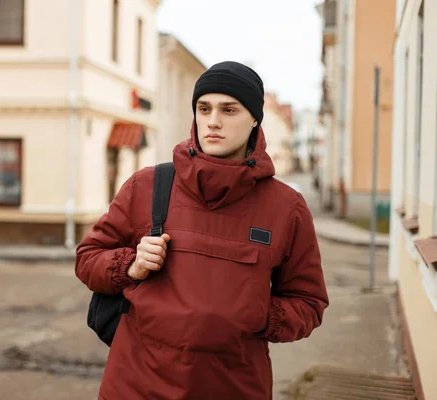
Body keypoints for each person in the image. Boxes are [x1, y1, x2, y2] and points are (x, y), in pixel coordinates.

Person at [75, 61, 329, 400]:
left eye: (229, 109)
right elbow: (87, 258)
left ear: (255, 118)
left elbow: (309, 303)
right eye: (203, 108)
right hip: (136, 386)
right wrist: (131, 265)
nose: (213, 121)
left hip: (234, 387)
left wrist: (258, 314)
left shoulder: (286, 208)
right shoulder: (149, 185)